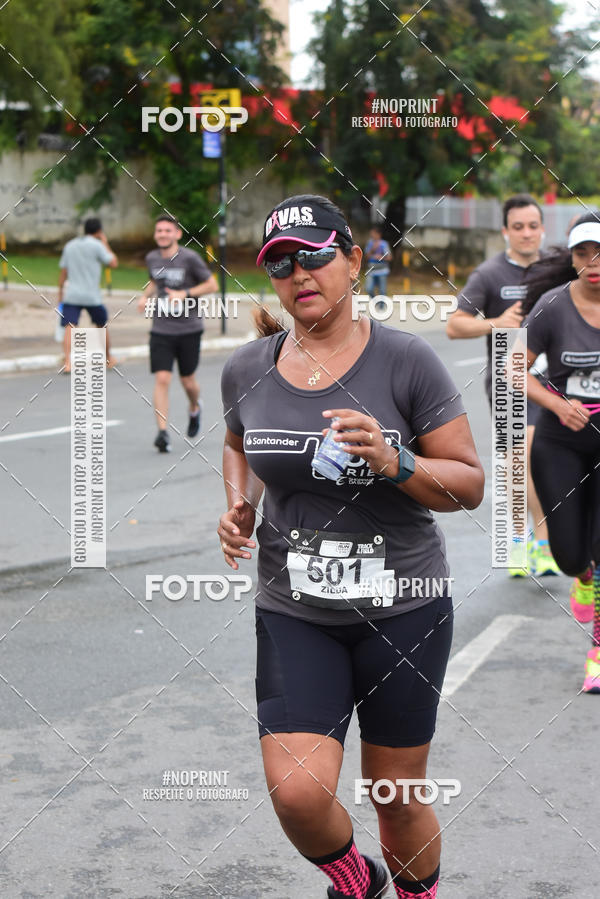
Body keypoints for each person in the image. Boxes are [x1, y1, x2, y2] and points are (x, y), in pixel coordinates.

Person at [219, 194, 485, 898]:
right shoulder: (248, 367)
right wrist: (238, 505)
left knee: (395, 798)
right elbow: (237, 442)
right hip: (295, 608)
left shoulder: (405, 360)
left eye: (313, 255)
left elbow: (467, 484)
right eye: (280, 263)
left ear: (353, 259)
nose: (298, 273)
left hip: (403, 609)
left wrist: (397, 460)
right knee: (299, 795)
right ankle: (357, 881)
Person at [446, 193, 560, 578]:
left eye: (532, 226)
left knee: (531, 462)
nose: (526, 234)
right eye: (518, 227)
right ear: (505, 232)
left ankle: (533, 542)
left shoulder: (559, 267)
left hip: (553, 379)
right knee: (520, 459)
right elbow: (455, 325)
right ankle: (530, 543)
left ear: (542, 229)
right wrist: (497, 322)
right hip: (508, 380)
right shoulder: (490, 274)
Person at [522, 211, 600, 693]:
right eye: (583, 253)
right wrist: (556, 402)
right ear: (571, 259)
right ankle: (582, 573)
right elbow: (514, 369)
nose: (593, 262)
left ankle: (597, 652)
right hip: (560, 440)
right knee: (571, 555)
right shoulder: (552, 306)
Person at [137, 215, 217, 452]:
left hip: (189, 329)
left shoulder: (189, 258)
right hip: (161, 329)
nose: (163, 234)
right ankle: (162, 432)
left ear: (177, 234)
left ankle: (195, 407)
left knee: (187, 381)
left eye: (167, 231)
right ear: (155, 234)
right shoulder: (152, 258)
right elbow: (155, 281)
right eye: (159, 230)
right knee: (162, 378)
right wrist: (144, 296)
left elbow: (212, 285)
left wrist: (185, 294)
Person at [58, 217, 118, 373]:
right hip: (92, 296)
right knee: (101, 326)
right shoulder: (98, 245)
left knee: (69, 327)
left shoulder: (70, 245)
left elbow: (63, 272)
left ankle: (67, 363)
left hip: (72, 294)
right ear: (99, 231)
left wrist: (60, 293)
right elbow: (113, 263)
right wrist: (105, 242)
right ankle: (108, 359)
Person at [364, 225, 392, 298]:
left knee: (382, 291)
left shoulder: (384, 244)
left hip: (382, 270)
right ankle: (375, 300)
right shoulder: (369, 243)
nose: (372, 235)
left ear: (378, 234)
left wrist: (380, 257)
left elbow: (389, 257)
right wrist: (373, 249)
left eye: (373, 234)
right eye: (371, 234)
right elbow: (366, 257)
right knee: (368, 288)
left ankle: (382, 307)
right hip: (371, 270)